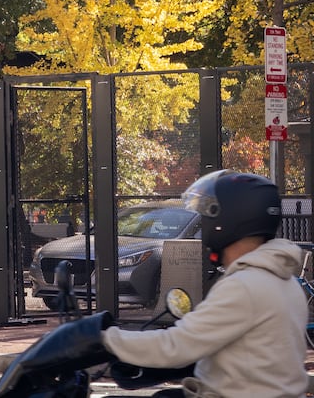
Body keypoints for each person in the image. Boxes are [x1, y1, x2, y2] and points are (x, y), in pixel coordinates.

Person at [102, 170, 308, 397]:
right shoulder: (284, 281)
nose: (205, 224)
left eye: (209, 215)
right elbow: (249, 354)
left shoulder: (245, 286)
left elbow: (177, 344)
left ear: (228, 220)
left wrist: (102, 339)